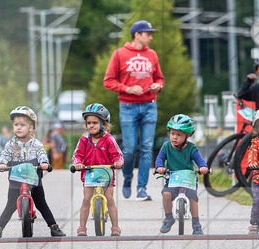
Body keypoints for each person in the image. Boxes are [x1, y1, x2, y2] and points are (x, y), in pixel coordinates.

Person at [103, 19, 164, 200]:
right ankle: (128, 178)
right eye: (148, 34)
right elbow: (108, 81)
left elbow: (160, 79)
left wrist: (157, 86)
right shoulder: (120, 54)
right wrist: (127, 89)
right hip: (128, 106)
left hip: (149, 105)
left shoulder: (152, 55)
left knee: (146, 148)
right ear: (137, 34)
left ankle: (142, 188)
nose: (151, 37)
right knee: (129, 149)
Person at [0, 106, 66, 238]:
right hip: (16, 178)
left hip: (33, 177)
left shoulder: (36, 144)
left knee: (41, 203)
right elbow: (5, 155)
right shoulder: (10, 144)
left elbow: (42, 154)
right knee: (10, 204)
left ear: (30, 127)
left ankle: (54, 227)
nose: (18, 127)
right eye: (16, 124)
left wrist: (44, 163)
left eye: (22, 125)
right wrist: (2, 164)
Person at [72, 104, 123, 236]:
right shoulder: (84, 139)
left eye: (94, 122)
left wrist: (118, 162)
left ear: (104, 124)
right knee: (86, 199)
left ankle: (115, 227)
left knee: (110, 199)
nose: (91, 125)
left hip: (106, 174)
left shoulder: (109, 139)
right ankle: (82, 227)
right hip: (89, 173)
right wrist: (78, 163)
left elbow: (117, 154)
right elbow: (77, 154)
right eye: (88, 123)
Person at [155, 114, 209, 235]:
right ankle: (168, 217)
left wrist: (203, 167)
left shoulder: (191, 148)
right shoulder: (166, 146)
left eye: (179, 135)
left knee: (192, 199)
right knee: (166, 194)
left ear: (187, 136)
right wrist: (160, 167)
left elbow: (199, 160)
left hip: (188, 179)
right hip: (172, 178)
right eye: (172, 133)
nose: (174, 137)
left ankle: (196, 224)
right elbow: (160, 158)